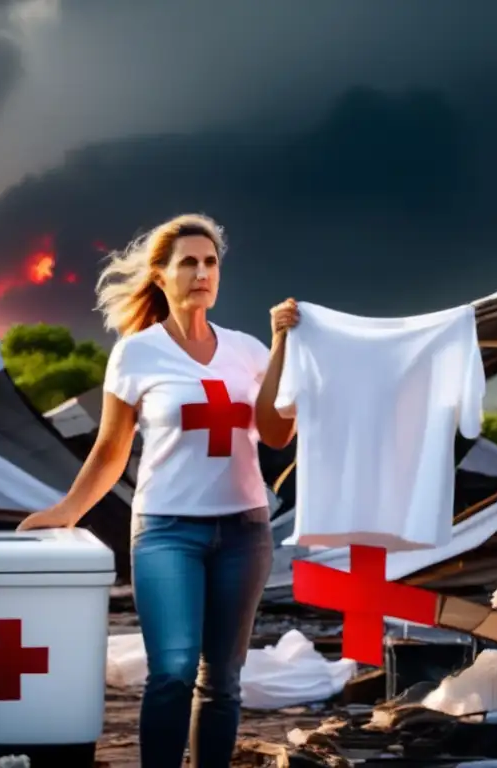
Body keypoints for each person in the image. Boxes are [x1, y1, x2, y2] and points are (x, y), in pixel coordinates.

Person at [17, 213, 300, 767]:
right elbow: (110, 449)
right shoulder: (137, 352)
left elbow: (275, 433)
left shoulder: (247, 350)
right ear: (162, 276)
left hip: (244, 531)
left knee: (223, 680)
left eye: (210, 262)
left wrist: (281, 343)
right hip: (168, 531)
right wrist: (67, 511)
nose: (202, 273)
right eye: (188, 263)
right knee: (171, 672)